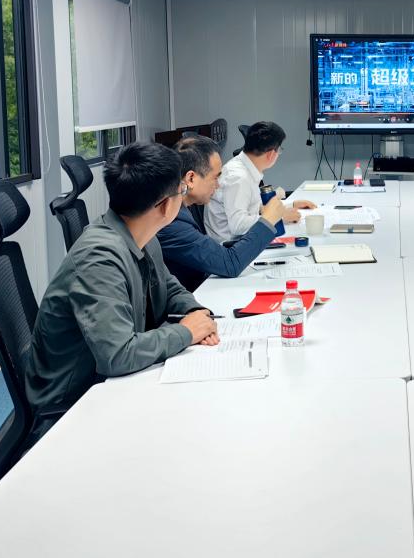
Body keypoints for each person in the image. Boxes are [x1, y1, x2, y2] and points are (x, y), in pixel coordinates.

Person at [25, 141, 219, 439]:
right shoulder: (98, 258)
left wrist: (196, 312)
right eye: (181, 190)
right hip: (75, 408)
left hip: (112, 383)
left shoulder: (141, 232)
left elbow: (167, 285)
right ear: (165, 206)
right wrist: (186, 332)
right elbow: (118, 355)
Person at [158, 135, 285, 291]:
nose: (218, 185)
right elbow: (230, 264)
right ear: (191, 178)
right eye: (215, 178)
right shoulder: (170, 220)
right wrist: (267, 220)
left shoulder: (182, 207)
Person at [205, 121, 316, 241]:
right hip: (231, 244)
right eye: (279, 150)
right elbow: (238, 225)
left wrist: (290, 205)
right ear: (271, 154)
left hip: (243, 239)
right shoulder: (238, 177)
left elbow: (254, 207)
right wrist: (279, 217)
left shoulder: (246, 167)